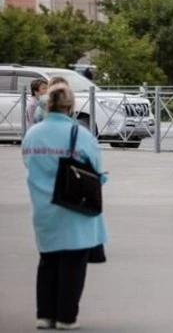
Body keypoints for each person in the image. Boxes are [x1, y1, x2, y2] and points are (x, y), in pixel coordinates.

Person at [21, 83, 108, 330]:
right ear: (70, 107)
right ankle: (66, 318)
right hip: (74, 208)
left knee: (47, 260)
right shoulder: (81, 135)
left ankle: (44, 315)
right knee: (73, 262)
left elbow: (27, 162)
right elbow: (95, 169)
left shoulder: (32, 134)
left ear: (47, 104)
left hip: (43, 207)